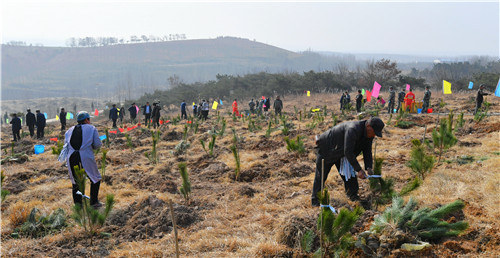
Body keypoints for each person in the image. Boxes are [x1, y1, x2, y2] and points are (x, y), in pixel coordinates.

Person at [311, 117, 385, 206]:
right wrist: (359, 170)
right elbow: (348, 152)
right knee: (321, 176)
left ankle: (352, 196)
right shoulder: (353, 129)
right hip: (327, 149)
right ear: (368, 126)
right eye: (374, 132)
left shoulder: (369, 135)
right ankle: (316, 202)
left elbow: (367, 151)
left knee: (349, 176)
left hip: (341, 153)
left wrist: (368, 167)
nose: (374, 135)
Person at [65, 111, 103, 208]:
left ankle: (78, 205)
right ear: (86, 120)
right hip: (85, 156)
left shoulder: (69, 130)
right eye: (89, 119)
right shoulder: (92, 128)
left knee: (76, 180)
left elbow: (66, 145)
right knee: (95, 178)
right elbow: (97, 144)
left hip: (71, 157)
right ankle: (94, 202)